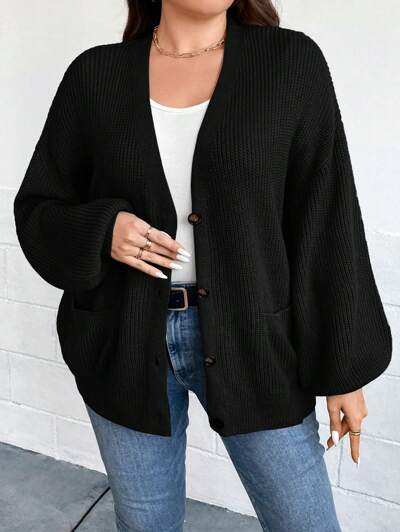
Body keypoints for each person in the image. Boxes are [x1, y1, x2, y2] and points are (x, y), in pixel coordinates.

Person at [13, 1, 392, 531]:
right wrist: (104, 230)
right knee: (145, 524)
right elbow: (38, 208)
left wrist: (343, 370)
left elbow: (327, 218)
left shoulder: (288, 63)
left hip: (257, 342)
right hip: (123, 339)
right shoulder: (95, 76)